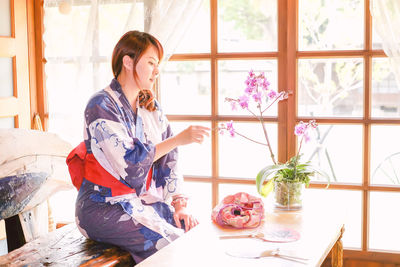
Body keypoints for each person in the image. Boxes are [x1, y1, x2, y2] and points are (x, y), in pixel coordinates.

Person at [66, 30, 210, 263]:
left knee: (190, 231)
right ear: (128, 62)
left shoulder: (150, 107)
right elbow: (130, 165)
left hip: (138, 201)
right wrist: (178, 139)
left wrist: (179, 205)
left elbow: (169, 159)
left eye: (157, 64)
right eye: (151, 62)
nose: (157, 70)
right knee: (169, 244)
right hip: (102, 207)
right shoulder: (100, 104)